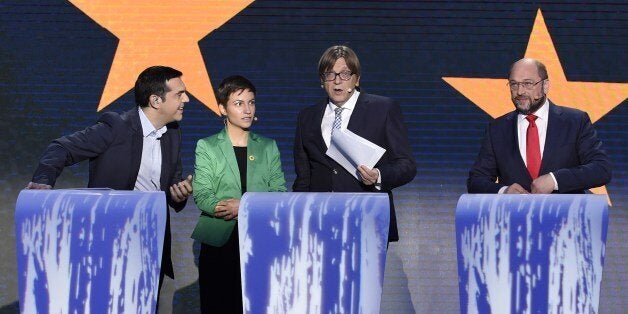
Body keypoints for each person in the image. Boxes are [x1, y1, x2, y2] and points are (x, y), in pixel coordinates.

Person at [27, 65, 193, 297]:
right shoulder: (117, 127)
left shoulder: (173, 132)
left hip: (151, 242)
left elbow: (172, 183)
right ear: (156, 100)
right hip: (109, 240)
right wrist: (43, 180)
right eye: (179, 94)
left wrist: (178, 195)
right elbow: (61, 148)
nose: (186, 99)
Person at [293, 45, 416, 242]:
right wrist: (298, 219)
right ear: (321, 81)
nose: (337, 81)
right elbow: (303, 178)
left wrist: (378, 176)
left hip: (367, 220)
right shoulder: (307, 117)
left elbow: (406, 165)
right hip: (320, 222)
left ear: (357, 79)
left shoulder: (383, 109)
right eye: (330, 74)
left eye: (345, 73)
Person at [191, 75, 286, 313]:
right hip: (220, 239)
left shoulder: (268, 146)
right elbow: (203, 195)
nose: (247, 110)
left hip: (260, 237)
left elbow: (279, 193)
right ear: (222, 108)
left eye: (251, 103)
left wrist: (244, 208)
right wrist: (235, 209)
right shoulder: (207, 146)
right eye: (239, 103)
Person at [467, 58, 611, 194]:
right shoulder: (497, 129)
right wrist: (504, 191)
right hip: (517, 217)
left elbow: (601, 169)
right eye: (514, 84)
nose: (519, 92)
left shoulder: (575, 121)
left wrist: (555, 180)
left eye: (528, 83)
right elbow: (476, 181)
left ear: (545, 86)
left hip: (565, 217)